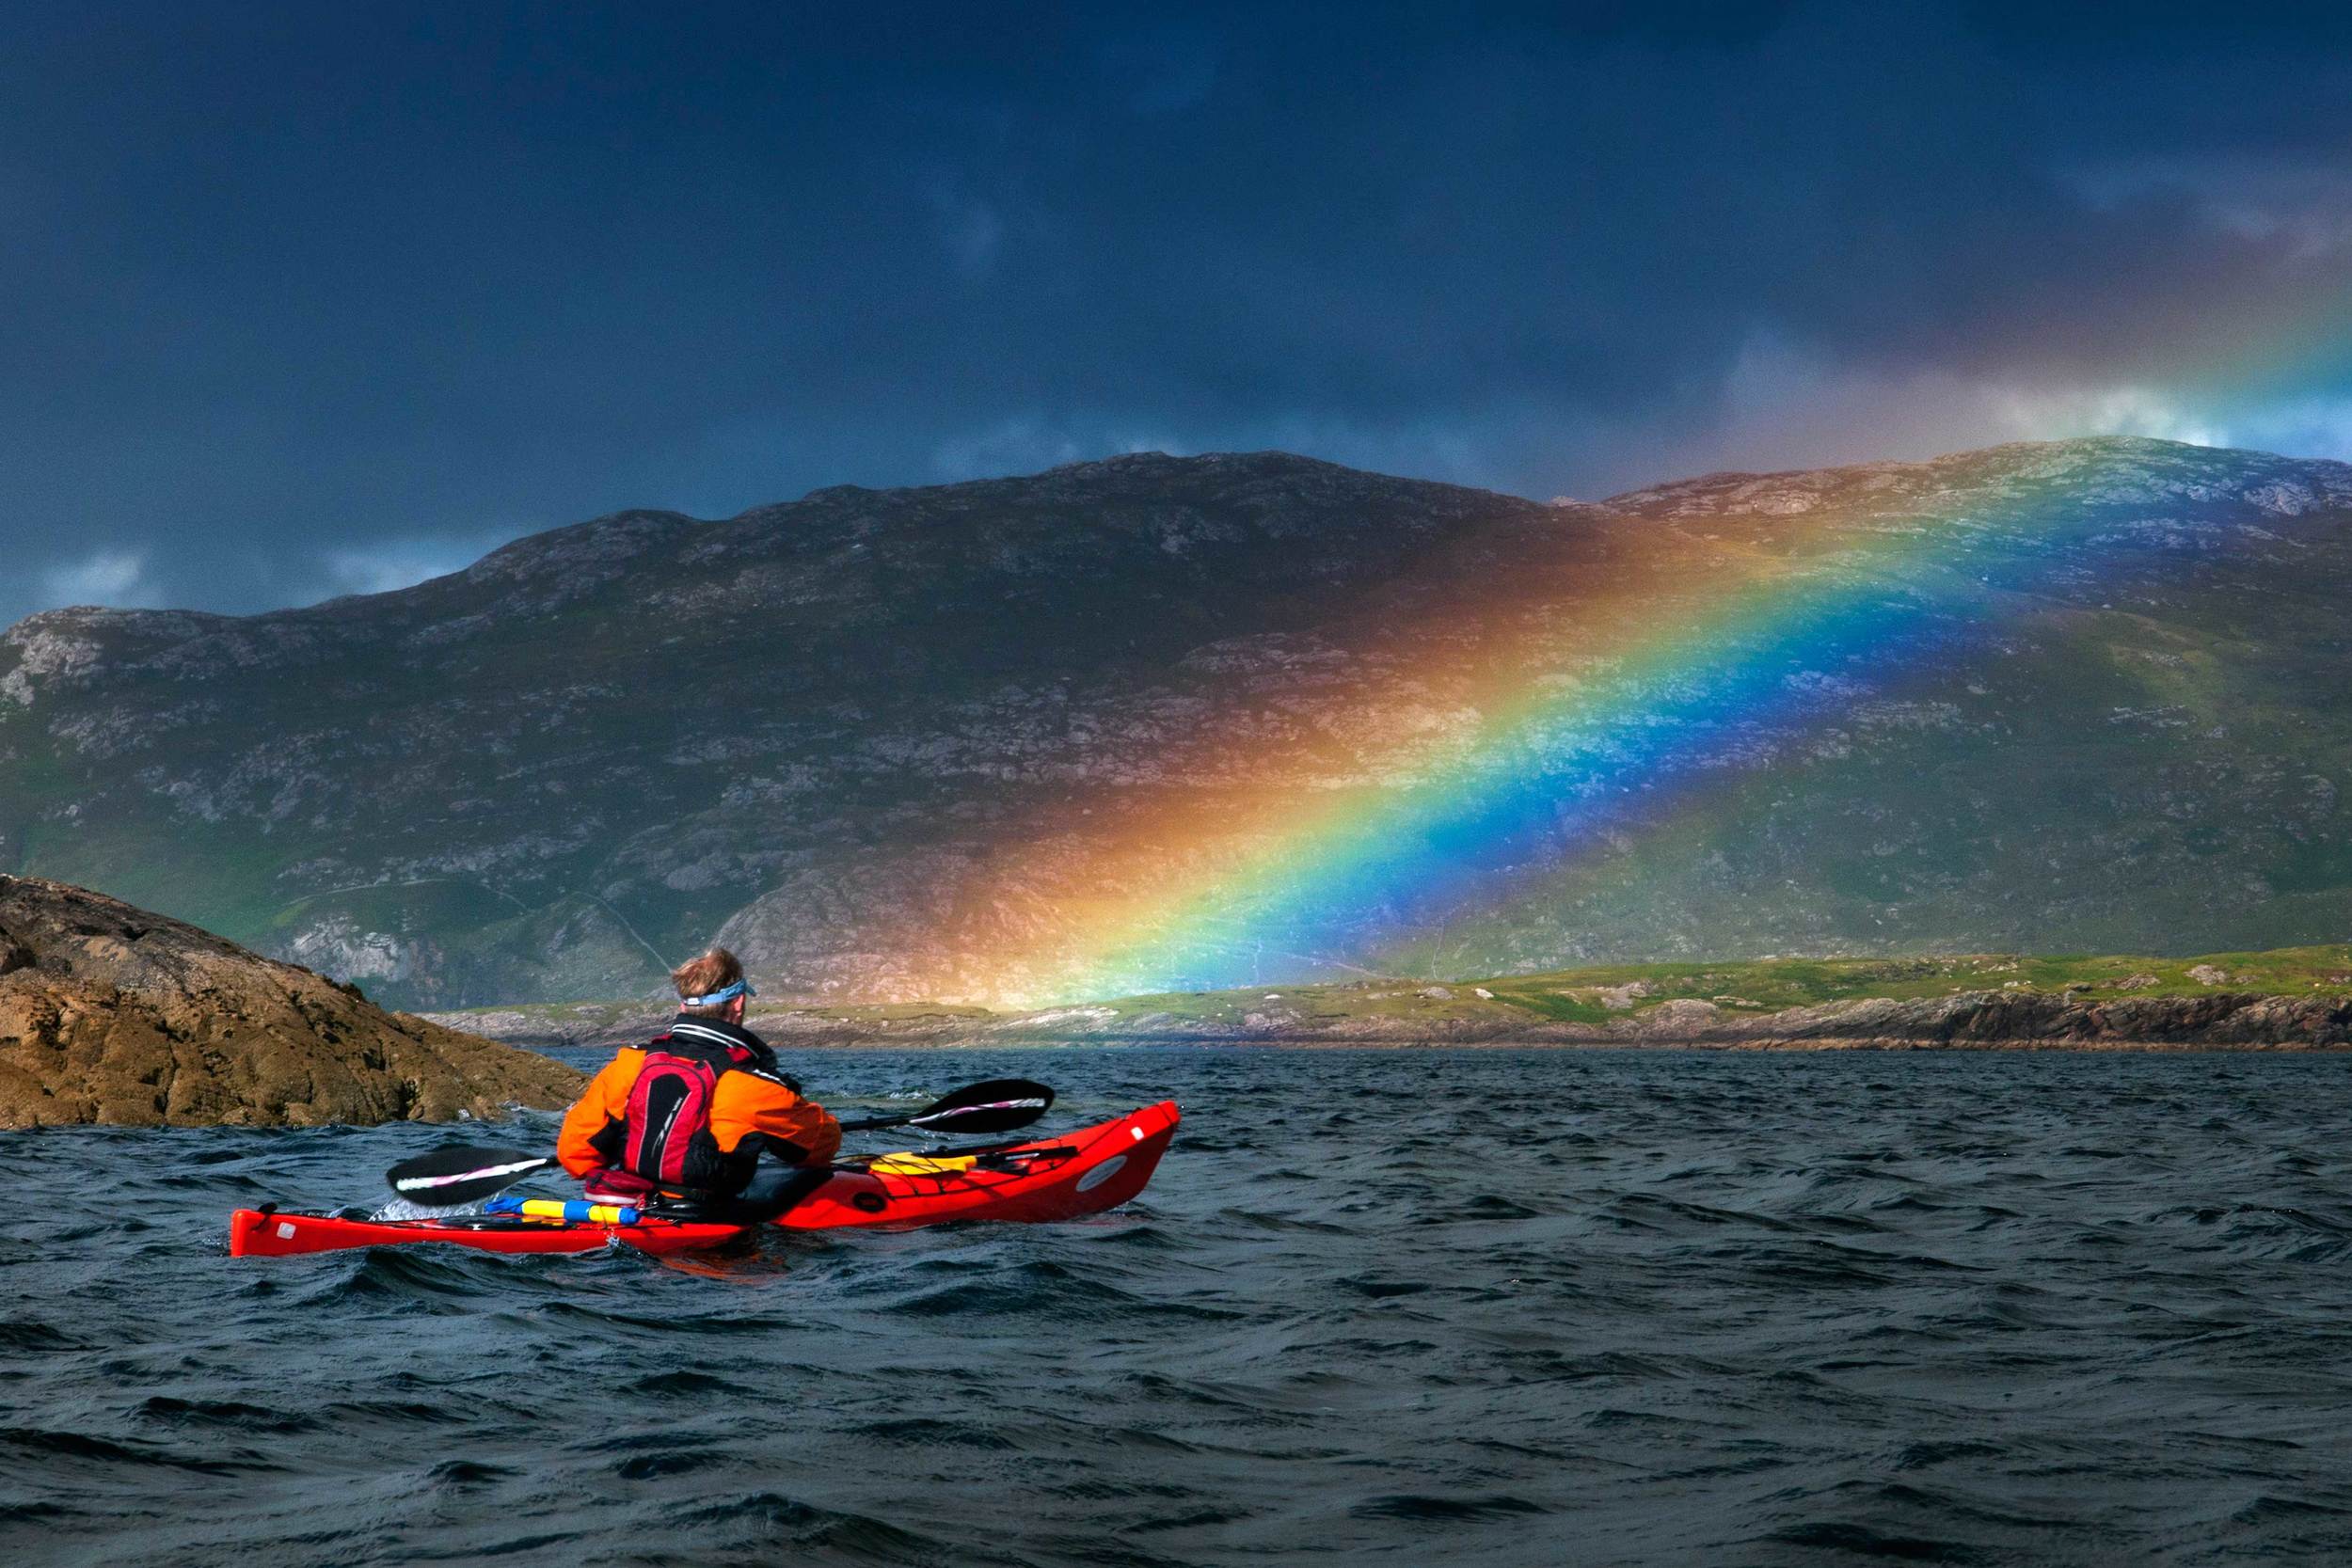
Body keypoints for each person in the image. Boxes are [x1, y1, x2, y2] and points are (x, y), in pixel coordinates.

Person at [557, 946, 840, 1221]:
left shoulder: (629, 1064)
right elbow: (821, 1148)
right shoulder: (755, 1086)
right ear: (738, 1002)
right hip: (711, 1238)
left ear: (683, 1005)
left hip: (628, 1210)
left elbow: (575, 1155)